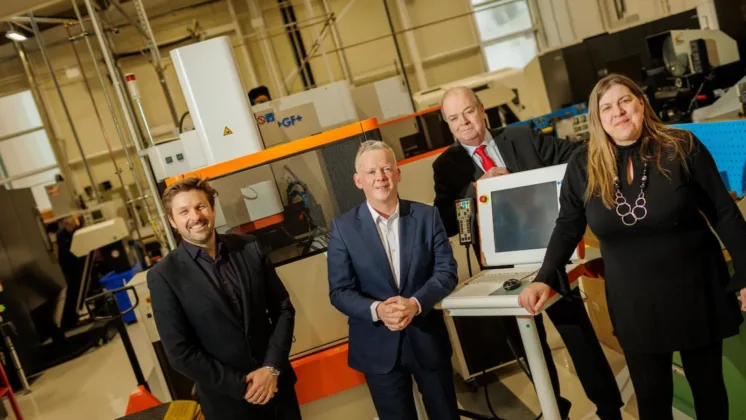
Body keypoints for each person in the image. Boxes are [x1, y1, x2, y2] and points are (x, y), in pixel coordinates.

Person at [519, 74, 746, 420]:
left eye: (625, 101)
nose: (618, 112)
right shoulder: (583, 166)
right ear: (597, 119)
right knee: (652, 402)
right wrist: (544, 278)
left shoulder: (681, 146)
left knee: (709, 392)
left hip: (695, 291)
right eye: (607, 107)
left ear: (641, 102)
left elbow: (723, 212)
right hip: (635, 303)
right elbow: (567, 227)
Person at [433, 87, 623, 419]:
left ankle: (609, 408)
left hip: (551, 253)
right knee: (526, 344)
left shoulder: (521, 138)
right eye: (453, 118)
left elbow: (574, 156)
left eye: (467, 112)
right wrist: (476, 189)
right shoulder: (447, 166)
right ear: (448, 126)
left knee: (577, 334)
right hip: (501, 269)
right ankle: (555, 408)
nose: (463, 122)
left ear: (482, 110)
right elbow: (448, 218)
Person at [147, 177, 300, 420]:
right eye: (184, 211)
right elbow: (179, 352)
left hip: (277, 389)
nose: (195, 216)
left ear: (212, 209)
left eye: (200, 207)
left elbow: (282, 308)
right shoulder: (164, 275)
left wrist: (271, 368)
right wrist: (241, 386)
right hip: (227, 404)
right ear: (172, 221)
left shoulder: (248, 247)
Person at [328, 141, 459, 420]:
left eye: (387, 169)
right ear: (358, 180)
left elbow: (447, 271)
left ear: (398, 174)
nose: (380, 177)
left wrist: (415, 303)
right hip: (377, 347)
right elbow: (339, 291)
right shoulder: (343, 228)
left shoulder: (426, 216)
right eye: (372, 171)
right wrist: (377, 310)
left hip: (426, 338)